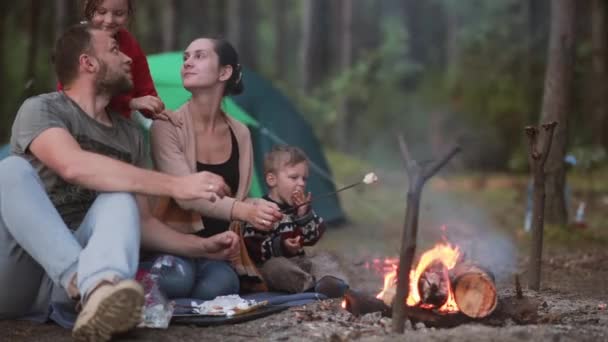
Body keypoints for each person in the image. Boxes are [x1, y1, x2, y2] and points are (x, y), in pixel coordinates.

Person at [0, 24, 231, 341]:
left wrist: (201, 247)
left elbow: (143, 222)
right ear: (88, 63)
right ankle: (87, 286)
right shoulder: (42, 109)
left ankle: (98, 294)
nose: (128, 58)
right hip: (17, 274)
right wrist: (175, 185)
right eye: (114, 49)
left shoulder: (131, 135)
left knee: (120, 197)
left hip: (64, 291)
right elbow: (72, 165)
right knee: (10, 170)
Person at [149, 37, 283, 299]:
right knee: (176, 283)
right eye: (186, 57)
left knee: (217, 290)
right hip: (177, 245)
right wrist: (245, 210)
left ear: (225, 72)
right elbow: (186, 196)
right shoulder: (167, 126)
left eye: (199, 56)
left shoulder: (240, 132)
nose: (187, 62)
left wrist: (260, 207)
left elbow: (238, 198)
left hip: (220, 250)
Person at [243, 145, 332, 294]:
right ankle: (313, 286)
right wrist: (282, 246)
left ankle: (326, 283)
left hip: (299, 263)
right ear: (272, 180)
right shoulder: (261, 209)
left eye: (304, 178)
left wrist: (304, 215)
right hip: (271, 267)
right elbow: (253, 248)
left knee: (323, 259)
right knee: (276, 268)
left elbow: (313, 238)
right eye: (294, 177)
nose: (301, 183)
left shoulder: (300, 209)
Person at [58, 0, 168, 120]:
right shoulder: (77, 41)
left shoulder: (130, 44)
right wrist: (129, 102)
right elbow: (74, 92)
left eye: (119, 13)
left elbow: (145, 91)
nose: (109, 20)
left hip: (119, 127)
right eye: (101, 12)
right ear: (87, 8)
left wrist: (158, 111)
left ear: (128, 14)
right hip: (79, 120)